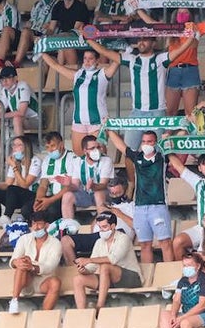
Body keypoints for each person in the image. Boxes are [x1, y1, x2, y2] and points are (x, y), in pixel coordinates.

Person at [88, 37, 176, 148]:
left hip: (157, 113)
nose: (141, 42)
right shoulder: (132, 59)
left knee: (158, 153)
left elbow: (180, 51)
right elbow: (104, 52)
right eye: (139, 40)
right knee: (129, 152)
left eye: (145, 39)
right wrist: (88, 39)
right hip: (136, 113)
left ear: (153, 43)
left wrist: (194, 36)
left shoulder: (161, 58)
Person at [105, 130, 173, 263]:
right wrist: (109, 129)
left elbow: (176, 145)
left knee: (165, 243)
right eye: (144, 141)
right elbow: (121, 146)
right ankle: (147, 279)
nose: (146, 144)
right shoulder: (137, 157)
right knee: (144, 245)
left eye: (150, 141)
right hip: (140, 207)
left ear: (156, 143)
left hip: (158, 205)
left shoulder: (162, 157)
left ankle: (169, 277)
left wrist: (168, 138)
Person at [41, 48, 120, 156]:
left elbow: (117, 60)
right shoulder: (77, 75)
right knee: (79, 155)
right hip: (78, 121)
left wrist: (119, 48)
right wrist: (41, 51)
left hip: (98, 122)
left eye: (91, 59)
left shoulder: (103, 74)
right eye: (85, 58)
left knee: (98, 155)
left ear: (97, 61)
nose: (87, 61)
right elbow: (55, 66)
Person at [70, 211, 142, 311]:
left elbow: (113, 259)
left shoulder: (123, 238)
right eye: (100, 227)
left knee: (105, 266)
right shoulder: (99, 242)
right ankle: (82, 313)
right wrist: (84, 270)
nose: (101, 230)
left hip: (131, 277)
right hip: (108, 279)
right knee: (78, 279)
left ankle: (99, 307)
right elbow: (92, 267)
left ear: (113, 226)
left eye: (104, 227)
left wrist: (88, 260)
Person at [151, 252, 205, 328]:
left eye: (189, 265)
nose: (186, 268)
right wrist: (173, 315)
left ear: (198, 266)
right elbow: (177, 300)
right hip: (187, 314)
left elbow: (202, 306)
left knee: (185, 323)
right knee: (164, 315)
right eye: (184, 265)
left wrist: (182, 318)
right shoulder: (183, 281)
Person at [7, 210, 62, 314]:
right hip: (25, 280)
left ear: (46, 225)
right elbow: (13, 260)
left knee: (56, 283)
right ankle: (14, 301)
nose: (36, 227)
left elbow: (51, 266)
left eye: (39, 224)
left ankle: (44, 315)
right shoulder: (24, 239)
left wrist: (32, 267)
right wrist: (17, 262)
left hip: (44, 280)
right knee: (22, 261)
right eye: (33, 224)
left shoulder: (56, 243)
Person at [0, 136, 40, 230]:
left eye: (19, 145)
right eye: (14, 145)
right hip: (18, 197)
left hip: (32, 196)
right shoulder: (16, 162)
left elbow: (25, 185)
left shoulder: (35, 161)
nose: (15, 148)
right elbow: (7, 184)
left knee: (12, 188)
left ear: (26, 147)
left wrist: (14, 166)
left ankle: (6, 217)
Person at [48, 0, 93, 66]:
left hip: (78, 38)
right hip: (61, 39)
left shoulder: (81, 7)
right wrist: (44, 36)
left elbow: (75, 30)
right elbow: (51, 28)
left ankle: (61, 72)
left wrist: (58, 37)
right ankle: (60, 72)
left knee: (64, 41)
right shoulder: (58, 6)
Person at [14, 0, 57, 64]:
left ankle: (17, 62)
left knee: (26, 32)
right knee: (25, 30)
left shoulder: (58, 5)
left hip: (47, 36)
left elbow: (53, 26)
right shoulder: (37, 4)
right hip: (34, 33)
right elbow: (31, 21)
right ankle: (16, 63)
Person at [0, 65, 39, 141]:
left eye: (8, 78)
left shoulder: (23, 86)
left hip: (34, 120)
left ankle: (21, 149)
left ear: (15, 78)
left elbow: (21, 112)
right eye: (2, 79)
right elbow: (0, 110)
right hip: (18, 120)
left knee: (17, 119)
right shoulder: (5, 90)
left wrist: (0, 115)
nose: (4, 81)